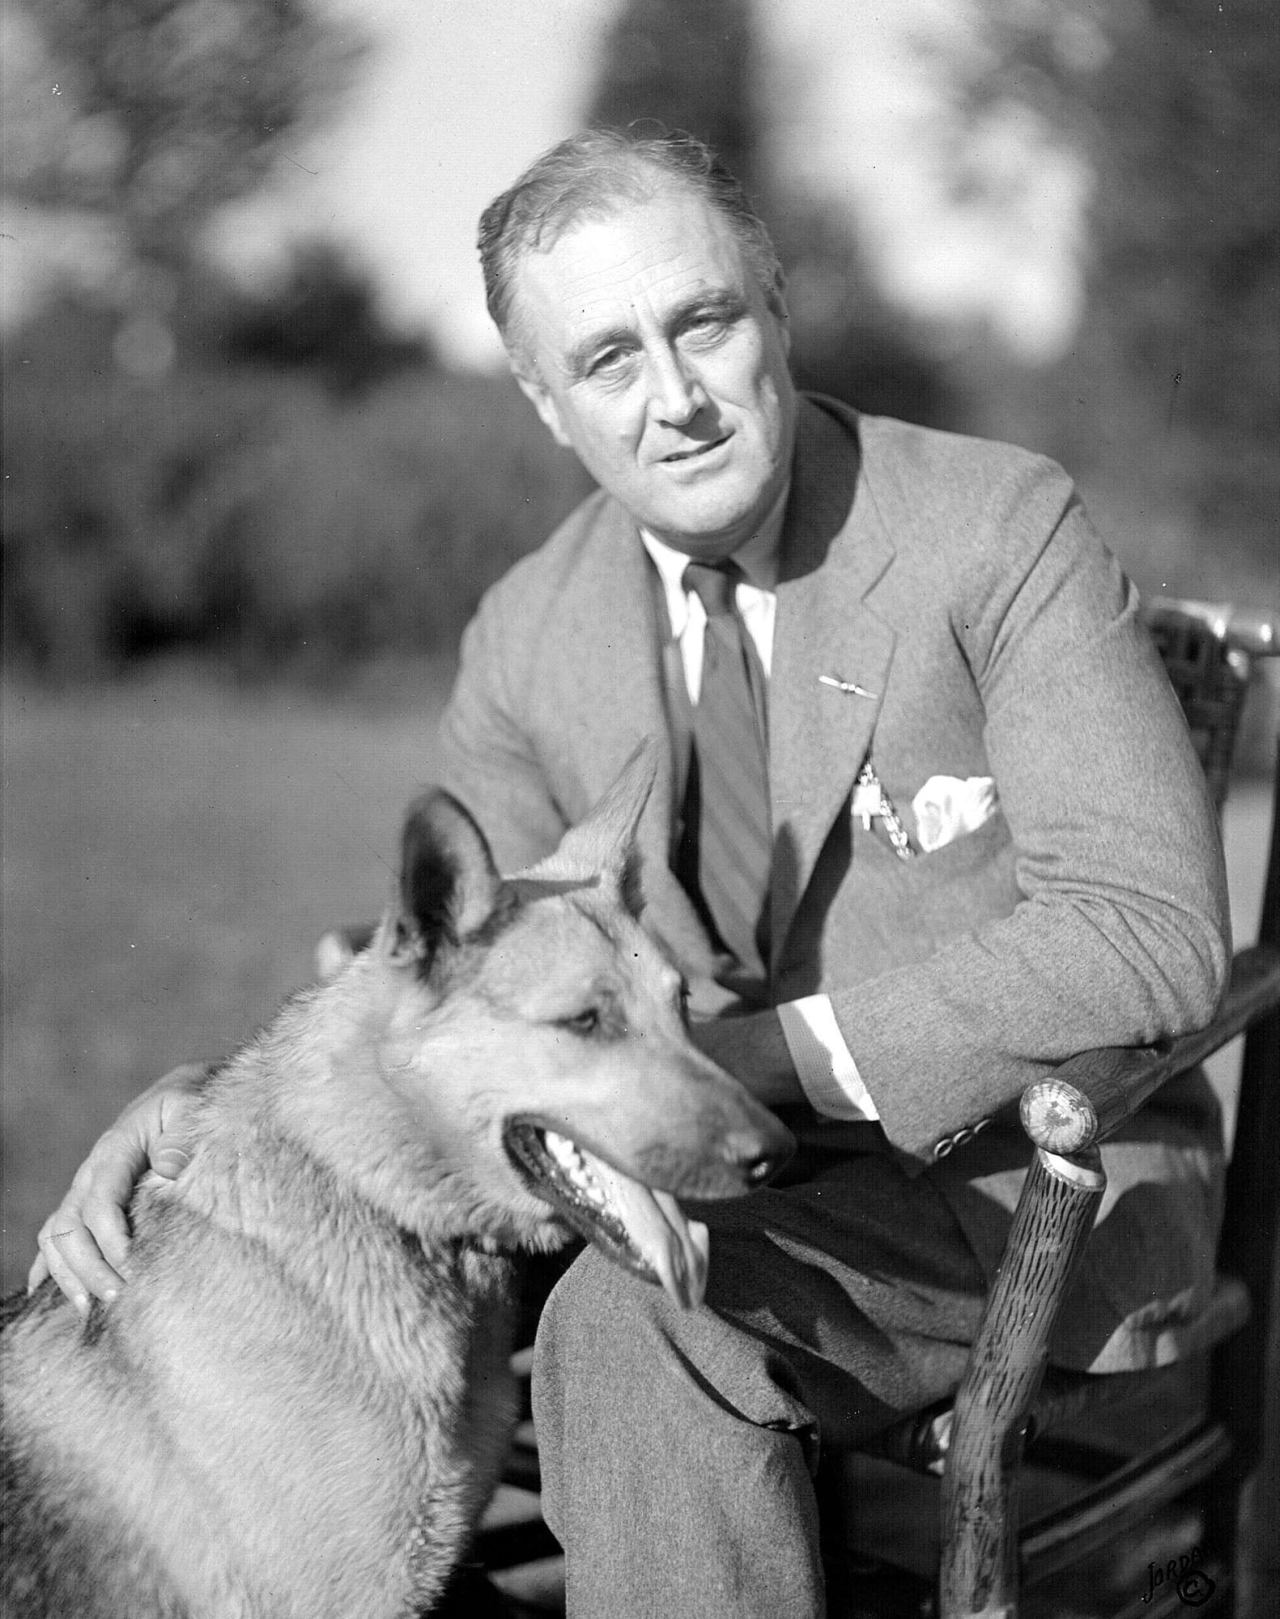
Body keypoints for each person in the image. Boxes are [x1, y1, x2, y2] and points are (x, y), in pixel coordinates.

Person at [32, 129, 1229, 1616]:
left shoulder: (996, 527)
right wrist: (203, 1114)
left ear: (776, 308)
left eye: (703, 322)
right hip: (668, 1170)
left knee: (631, 1323)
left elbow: (1150, 933)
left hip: (1011, 1181)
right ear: (545, 401)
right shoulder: (527, 630)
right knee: (292, 1312)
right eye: (607, 359)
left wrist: (741, 1065)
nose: (675, 398)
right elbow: (450, 976)